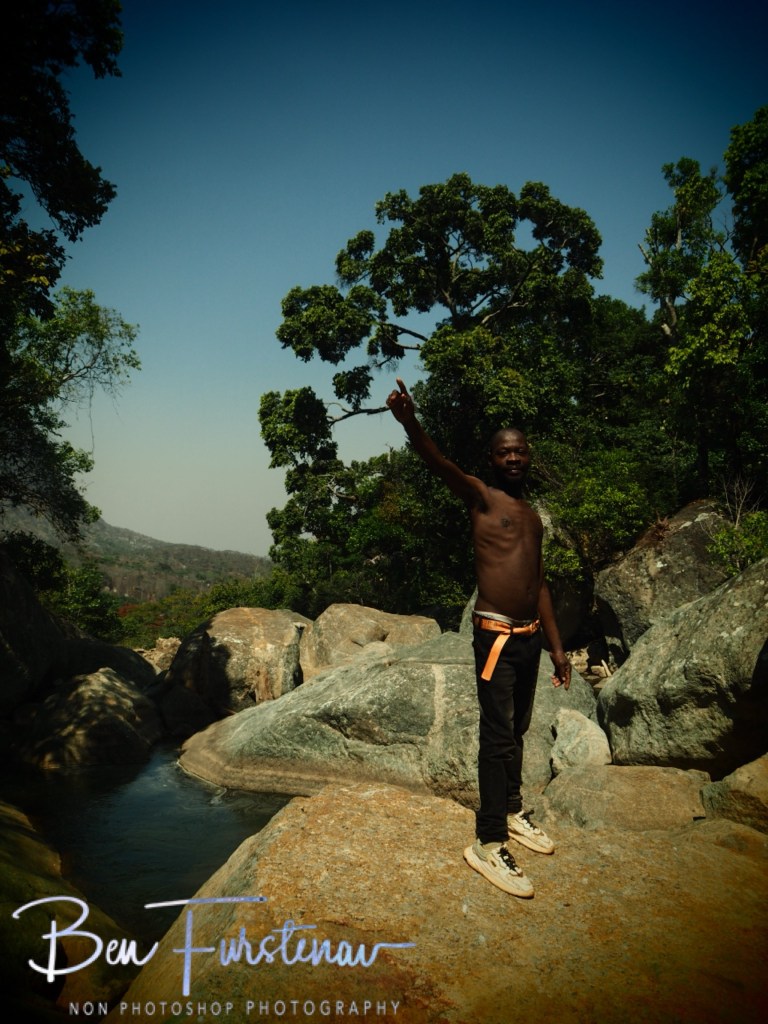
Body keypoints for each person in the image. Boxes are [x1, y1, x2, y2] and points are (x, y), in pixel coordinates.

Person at [386, 378, 571, 898]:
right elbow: (439, 462)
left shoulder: (532, 515)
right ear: (490, 460)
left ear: (528, 457)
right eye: (503, 453)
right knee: (496, 737)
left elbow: (539, 584)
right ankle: (488, 842)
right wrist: (409, 421)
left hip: (531, 638)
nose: (513, 458)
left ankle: (510, 810)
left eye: (520, 451)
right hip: (493, 636)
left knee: (518, 731)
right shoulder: (482, 498)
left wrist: (557, 647)